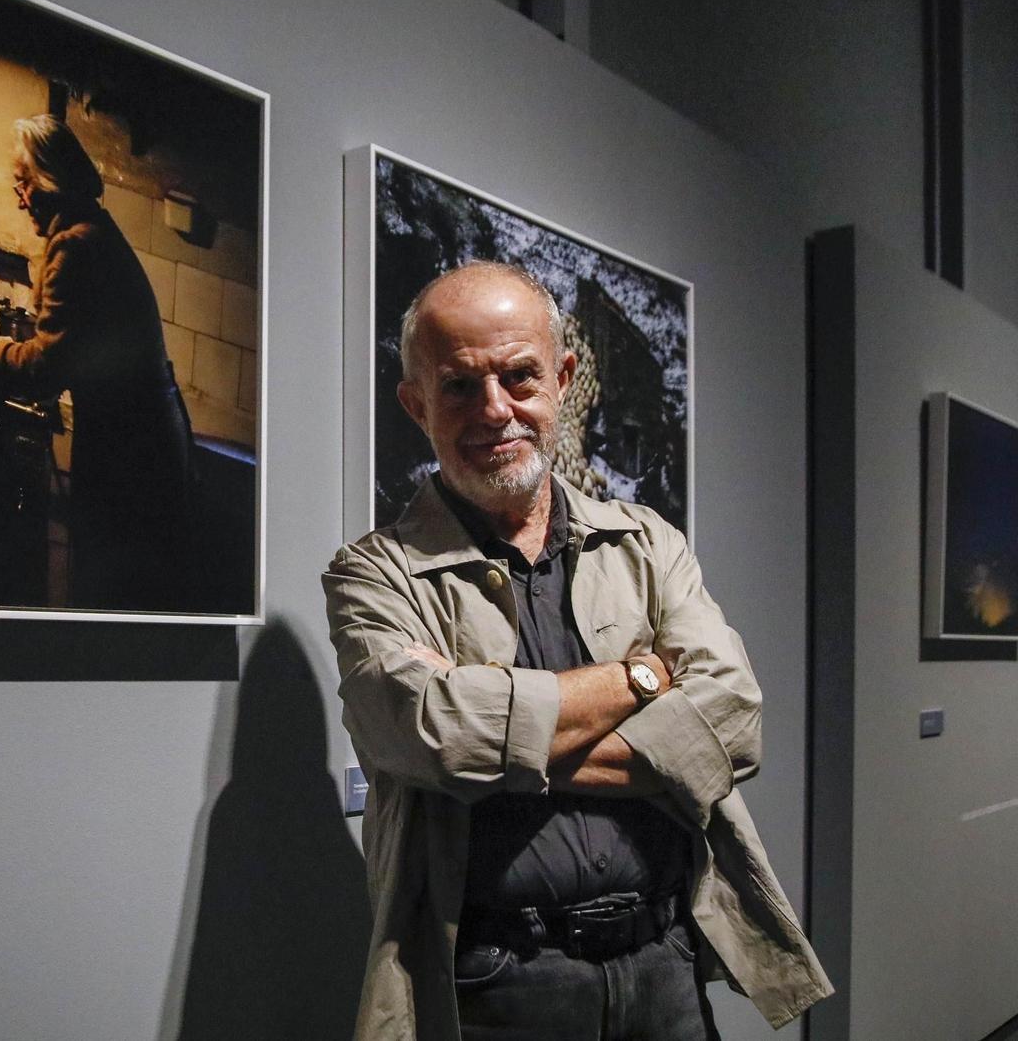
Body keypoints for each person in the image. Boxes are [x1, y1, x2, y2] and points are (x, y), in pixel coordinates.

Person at [323, 261, 831, 1040]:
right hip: (497, 985)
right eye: (460, 385)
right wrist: (643, 678)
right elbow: (437, 735)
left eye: (520, 377)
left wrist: (503, 735)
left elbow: (734, 721)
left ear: (561, 377)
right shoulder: (372, 573)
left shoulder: (647, 540)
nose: (495, 410)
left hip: (665, 961)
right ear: (415, 403)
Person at [0, 115, 195, 612]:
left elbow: (42, 369)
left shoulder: (74, 246)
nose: (19, 195)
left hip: (132, 455)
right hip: (145, 443)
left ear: (49, 181)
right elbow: (65, 345)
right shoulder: (90, 230)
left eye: (24, 183)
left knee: (111, 601)